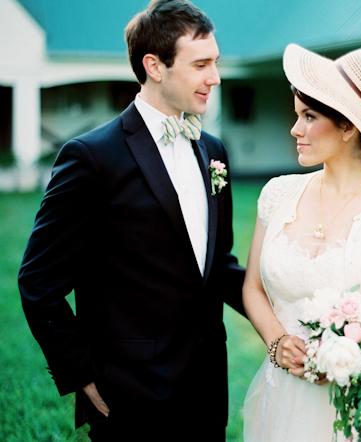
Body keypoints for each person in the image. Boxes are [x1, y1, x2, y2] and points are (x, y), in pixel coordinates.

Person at [17, 0, 244, 440]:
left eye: (215, 62)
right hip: (129, 393)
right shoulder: (92, 157)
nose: (215, 77)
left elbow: (217, 266)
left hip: (206, 390)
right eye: (201, 65)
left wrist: (287, 317)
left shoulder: (214, 151)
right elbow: (38, 282)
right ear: (154, 66)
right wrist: (80, 373)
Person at [242, 43, 361, 441]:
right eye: (298, 116)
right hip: (283, 395)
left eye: (309, 117)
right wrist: (277, 343)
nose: (295, 129)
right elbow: (253, 288)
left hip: (360, 399)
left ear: (348, 127)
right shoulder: (277, 195)